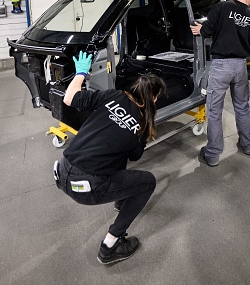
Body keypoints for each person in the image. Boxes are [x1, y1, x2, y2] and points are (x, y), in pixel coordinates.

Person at [54, 51, 166, 264]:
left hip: (63, 169)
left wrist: (81, 73)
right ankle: (111, 244)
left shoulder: (114, 95)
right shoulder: (142, 124)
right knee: (147, 182)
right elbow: (136, 156)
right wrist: (139, 134)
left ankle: (120, 199)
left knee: (116, 155)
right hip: (87, 186)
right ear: (154, 98)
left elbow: (69, 98)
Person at [190, 0, 250, 166]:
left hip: (221, 66)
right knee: (242, 106)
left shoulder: (223, 6)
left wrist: (200, 30)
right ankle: (248, 144)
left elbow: (209, 28)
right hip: (241, 66)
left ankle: (212, 154)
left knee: (214, 110)